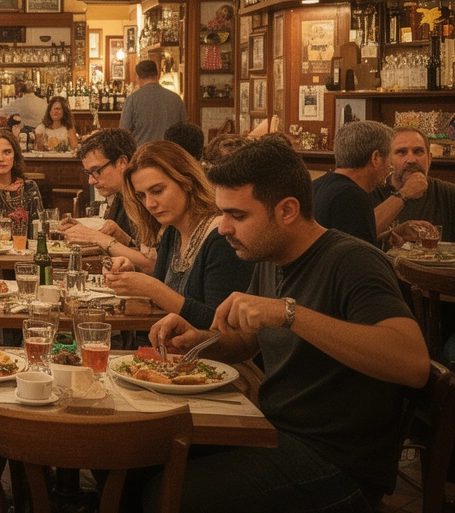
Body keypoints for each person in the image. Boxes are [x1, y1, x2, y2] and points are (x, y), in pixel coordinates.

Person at [148, 136, 428, 512]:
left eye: (238, 215)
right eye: (223, 213)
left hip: (339, 462)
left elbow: (413, 364)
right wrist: (199, 339)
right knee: (136, 460)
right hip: (275, 430)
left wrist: (288, 313)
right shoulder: (269, 255)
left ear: (288, 210)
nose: (222, 228)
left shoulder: (352, 261)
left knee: (164, 496)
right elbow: (247, 342)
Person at [102, 141, 254, 328]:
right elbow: (160, 294)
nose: (149, 204)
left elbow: (222, 325)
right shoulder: (173, 232)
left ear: (187, 182)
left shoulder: (222, 238)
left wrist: (150, 288)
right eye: (141, 196)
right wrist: (131, 275)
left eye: (157, 191)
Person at [62, 128, 150, 270]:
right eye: (88, 173)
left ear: (122, 162)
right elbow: (139, 250)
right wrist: (86, 231)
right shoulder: (120, 197)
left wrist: (99, 238)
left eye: (97, 171)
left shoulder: (147, 200)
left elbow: (152, 266)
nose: (91, 181)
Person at [312, 120, 393, 245]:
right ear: (375, 158)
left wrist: (384, 238)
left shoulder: (316, 185)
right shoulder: (352, 197)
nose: (390, 166)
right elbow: (355, 260)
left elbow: (335, 247)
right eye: (389, 158)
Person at [371, 127, 454, 243]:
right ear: (388, 160)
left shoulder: (448, 194)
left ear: (429, 159)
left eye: (418, 151)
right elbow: (359, 234)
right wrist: (405, 193)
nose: (411, 160)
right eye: (401, 152)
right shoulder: (371, 192)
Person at [120, 59, 187, 146]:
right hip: (169, 154)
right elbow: (185, 130)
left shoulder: (132, 100)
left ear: (139, 77)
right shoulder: (176, 99)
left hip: (143, 154)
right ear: (157, 75)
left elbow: (124, 134)